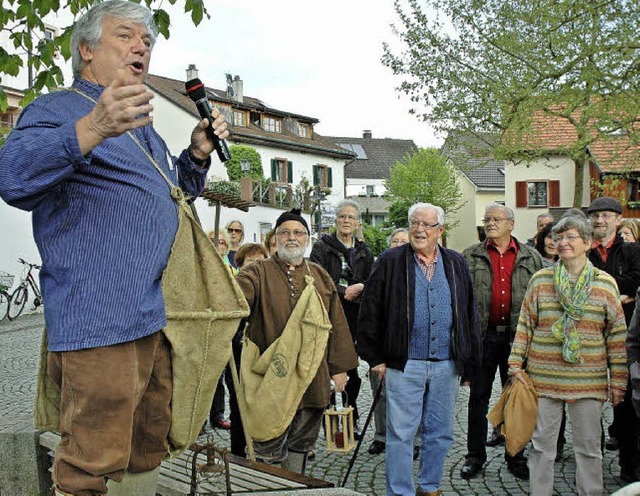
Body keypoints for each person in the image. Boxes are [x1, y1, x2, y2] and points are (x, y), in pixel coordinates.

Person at [0, 1, 229, 494]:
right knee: (90, 464)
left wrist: (194, 155)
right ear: (86, 49)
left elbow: (173, 196)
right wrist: (93, 127)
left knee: (146, 447)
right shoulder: (59, 109)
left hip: (154, 316)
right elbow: (13, 178)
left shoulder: (142, 123)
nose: (141, 46)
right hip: (99, 319)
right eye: (126, 36)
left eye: (146, 40)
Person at [358, 203, 482, 496]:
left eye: (427, 225)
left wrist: (469, 362)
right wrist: (375, 359)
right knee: (400, 434)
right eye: (415, 223)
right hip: (404, 363)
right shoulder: (391, 260)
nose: (419, 230)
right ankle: (400, 492)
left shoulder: (455, 262)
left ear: (440, 231)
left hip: (446, 365)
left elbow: (468, 313)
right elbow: (370, 310)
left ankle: (429, 487)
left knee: (440, 433)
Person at [509, 215, 628, 495]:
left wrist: (619, 381)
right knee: (540, 448)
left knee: (588, 449)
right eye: (558, 237)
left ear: (587, 242)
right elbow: (525, 324)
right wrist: (515, 364)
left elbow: (617, 336)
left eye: (570, 237)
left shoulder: (605, 283)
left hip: (589, 380)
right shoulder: (540, 280)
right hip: (543, 379)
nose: (562, 243)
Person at [236, 208, 357, 473]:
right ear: (276, 238)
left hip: (311, 377)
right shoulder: (257, 272)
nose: (292, 237)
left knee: (301, 444)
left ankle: (295, 486)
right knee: (266, 442)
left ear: (307, 239)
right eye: (285, 232)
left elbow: (336, 322)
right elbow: (237, 296)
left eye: (298, 233)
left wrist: (339, 369)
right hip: (270, 377)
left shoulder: (319, 275)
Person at [460, 203, 544, 481]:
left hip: (517, 340)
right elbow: (460, 300)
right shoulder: (470, 256)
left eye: (496, 219)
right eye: (487, 219)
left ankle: (515, 454)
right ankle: (474, 456)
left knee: (517, 399)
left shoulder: (531, 258)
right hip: (483, 338)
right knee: (478, 398)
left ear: (511, 224)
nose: (490, 223)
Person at [310, 199, 374, 437]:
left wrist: (360, 288)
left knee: (352, 371)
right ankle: (328, 418)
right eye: (342, 217)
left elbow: (373, 281)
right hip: (329, 315)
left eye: (351, 217)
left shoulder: (364, 251)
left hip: (355, 317)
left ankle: (351, 414)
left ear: (358, 223)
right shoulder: (322, 247)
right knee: (328, 370)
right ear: (336, 221)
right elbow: (316, 276)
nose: (346, 221)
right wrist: (341, 290)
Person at [586, 197, 640, 479]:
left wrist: (600, 287)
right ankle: (591, 465)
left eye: (606, 215)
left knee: (626, 403)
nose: (599, 221)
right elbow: (581, 282)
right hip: (591, 337)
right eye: (595, 216)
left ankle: (629, 467)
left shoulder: (633, 250)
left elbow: (636, 279)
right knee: (590, 404)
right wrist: (618, 293)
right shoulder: (583, 251)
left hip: (623, 335)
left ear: (618, 220)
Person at [366, 226, 415, 457]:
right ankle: (381, 436)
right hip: (384, 344)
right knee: (381, 394)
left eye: (403, 241)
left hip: (411, 348)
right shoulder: (382, 266)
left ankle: (415, 439)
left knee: (414, 397)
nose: (398, 245)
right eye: (395, 241)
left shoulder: (419, 269)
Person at [227, 243, 269, 457]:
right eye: (252, 262)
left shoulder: (270, 289)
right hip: (237, 350)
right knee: (238, 403)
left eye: (262, 261)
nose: (257, 266)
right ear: (241, 265)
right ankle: (238, 453)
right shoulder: (234, 287)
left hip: (262, 354)